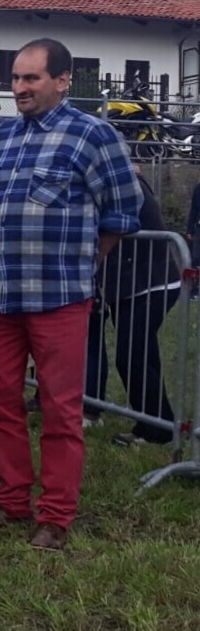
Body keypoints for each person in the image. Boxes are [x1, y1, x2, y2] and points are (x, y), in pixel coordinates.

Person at [0, 38, 141, 551]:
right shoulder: (3, 137)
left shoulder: (93, 135)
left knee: (61, 411)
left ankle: (55, 516)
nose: (19, 88)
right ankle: (11, 499)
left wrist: (87, 260)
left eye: (31, 78)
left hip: (59, 297)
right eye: (16, 78)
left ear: (63, 81)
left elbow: (123, 211)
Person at [83, 168, 179, 446]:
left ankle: (156, 429)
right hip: (134, 285)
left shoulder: (123, 184)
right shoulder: (115, 181)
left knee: (133, 355)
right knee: (140, 355)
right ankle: (157, 423)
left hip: (151, 283)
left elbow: (114, 226)